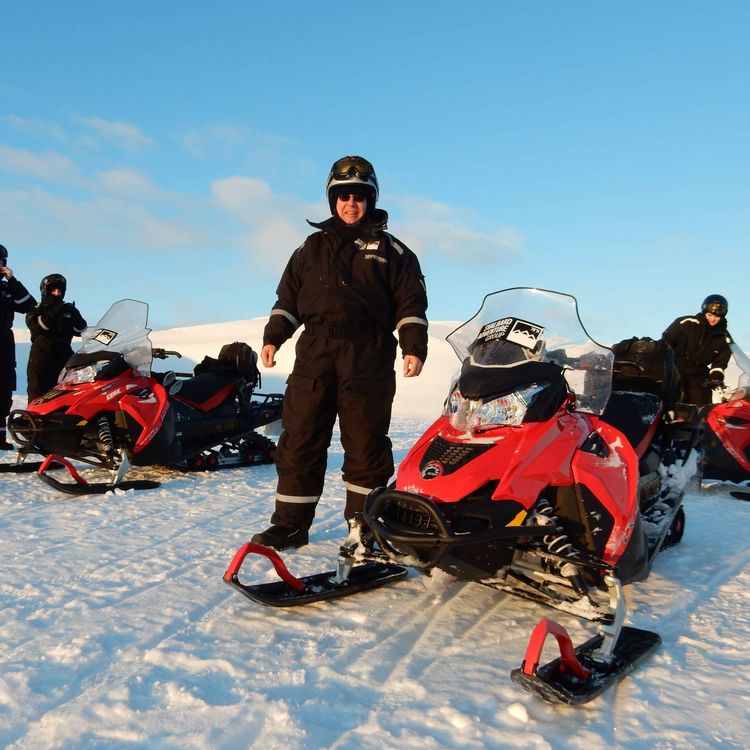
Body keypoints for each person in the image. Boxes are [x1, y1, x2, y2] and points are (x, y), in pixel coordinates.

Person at [251, 155, 429, 550]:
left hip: (368, 355)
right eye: (343, 195)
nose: (351, 203)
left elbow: (411, 305)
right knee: (299, 440)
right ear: (333, 199)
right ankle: (290, 526)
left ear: (371, 199)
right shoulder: (310, 248)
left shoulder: (393, 251)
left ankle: (364, 529)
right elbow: (287, 301)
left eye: (360, 196)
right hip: (315, 352)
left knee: (365, 445)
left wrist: (413, 347)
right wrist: (273, 336)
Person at [662, 294, 732, 407]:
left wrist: (716, 377)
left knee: (702, 405)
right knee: (673, 399)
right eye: (710, 315)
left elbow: (720, 362)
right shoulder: (686, 323)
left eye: (717, 317)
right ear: (704, 311)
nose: (713, 319)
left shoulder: (723, 337)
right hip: (676, 367)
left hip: (699, 373)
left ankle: (698, 422)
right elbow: (666, 341)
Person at [26, 273, 87, 401]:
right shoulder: (37, 309)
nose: (57, 294)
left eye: (59, 291)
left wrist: (74, 314)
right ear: (46, 291)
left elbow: (81, 330)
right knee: (37, 395)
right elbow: (41, 326)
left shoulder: (67, 310)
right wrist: (56, 310)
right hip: (42, 358)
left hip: (64, 356)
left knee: (66, 395)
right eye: (53, 290)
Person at [0, 244, 37, 449]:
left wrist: (12, 280)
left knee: (3, 390)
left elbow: (29, 305)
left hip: (4, 341)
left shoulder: (7, 289)